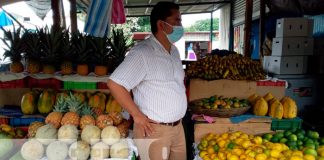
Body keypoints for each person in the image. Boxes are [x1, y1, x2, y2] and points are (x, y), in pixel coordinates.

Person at [107, 1, 187, 160]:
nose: (180, 25)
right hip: (154, 131)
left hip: (178, 128)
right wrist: (137, 115)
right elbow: (115, 84)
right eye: (176, 20)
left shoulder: (174, 51)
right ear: (161, 24)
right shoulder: (143, 52)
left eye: (180, 21)